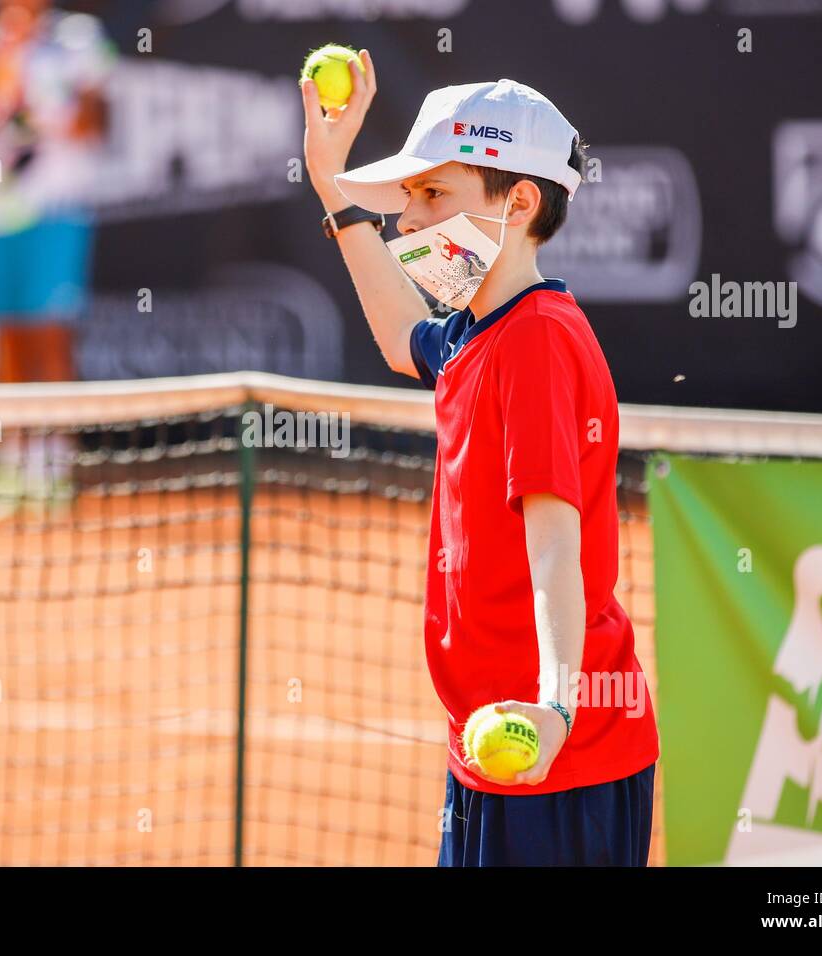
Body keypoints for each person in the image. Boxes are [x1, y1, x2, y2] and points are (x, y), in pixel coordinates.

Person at [301, 58, 660, 866]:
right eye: (410, 199)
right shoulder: (479, 329)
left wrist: (556, 708)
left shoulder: (533, 340)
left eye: (435, 196)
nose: (409, 222)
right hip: (496, 745)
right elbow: (402, 338)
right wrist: (332, 188)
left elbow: (554, 555)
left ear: (521, 203)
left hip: (554, 753)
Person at [0, 0, 115, 516]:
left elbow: (92, 124)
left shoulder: (80, 40)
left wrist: (33, 103)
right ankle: (12, 465)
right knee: (5, 336)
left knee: (50, 334)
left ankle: (54, 467)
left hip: (53, 211)